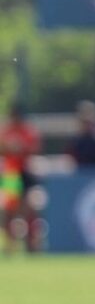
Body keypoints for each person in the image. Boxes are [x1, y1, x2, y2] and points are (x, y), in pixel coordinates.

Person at [1, 105, 41, 253]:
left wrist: (19, 148)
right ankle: (9, 246)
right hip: (11, 174)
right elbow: (3, 149)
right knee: (9, 210)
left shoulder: (27, 131)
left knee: (28, 209)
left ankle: (31, 244)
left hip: (25, 172)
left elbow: (33, 149)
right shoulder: (6, 131)